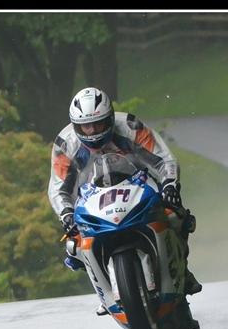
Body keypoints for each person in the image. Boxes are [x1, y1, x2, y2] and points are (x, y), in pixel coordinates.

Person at [47, 87, 202, 301]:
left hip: (138, 182)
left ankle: (183, 272)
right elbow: (58, 187)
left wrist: (169, 186)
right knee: (73, 248)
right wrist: (66, 213)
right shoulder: (65, 144)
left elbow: (164, 159)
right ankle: (105, 292)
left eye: (98, 124)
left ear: (110, 118)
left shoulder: (130, 126)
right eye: (85, 126)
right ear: (75, 125)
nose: (92, 131)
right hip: (92, 196)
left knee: (177, 216)